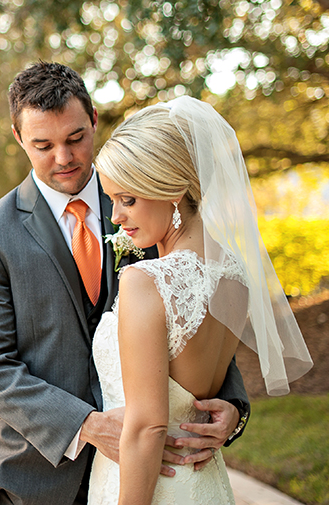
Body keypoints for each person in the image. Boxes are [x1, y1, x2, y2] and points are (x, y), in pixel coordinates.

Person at [0, 61, 251, 505]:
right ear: (18, 138)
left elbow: (194, 308)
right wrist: (89, 426)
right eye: (43, 145)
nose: (64, 157)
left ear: (94, 120)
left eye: (75, 138)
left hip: (153, 471)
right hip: (31, 477)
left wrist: (232, 406)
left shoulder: (149, 204)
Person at [89, 97, 313, 504]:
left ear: (172, 189)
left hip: (150, 487)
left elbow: (147, 428)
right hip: (205, 482)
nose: (116, 216)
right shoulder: (236, 275)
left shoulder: (145, 281)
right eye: (112, 199)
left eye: (128, 199)